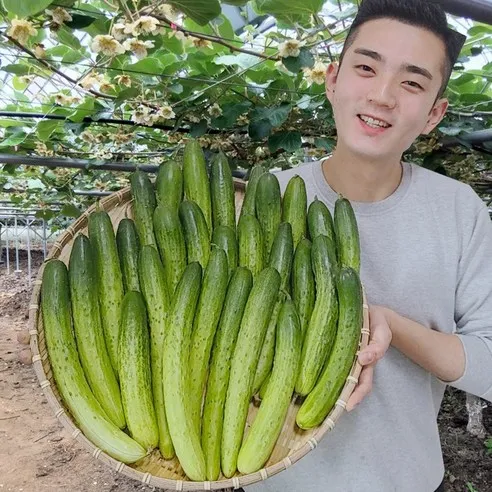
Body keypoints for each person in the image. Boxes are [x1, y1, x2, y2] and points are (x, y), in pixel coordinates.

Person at [244, 0, 492, 491]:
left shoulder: (460, 209)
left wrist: (387, 323)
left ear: (433, 114)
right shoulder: (259, 198)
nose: (382, 95)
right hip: (266, 481)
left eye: (412, 82)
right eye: (366, 67)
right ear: (333, 80)